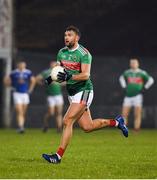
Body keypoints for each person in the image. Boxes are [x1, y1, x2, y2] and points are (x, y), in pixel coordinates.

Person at [42, 25, 128, 164]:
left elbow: (85, 75)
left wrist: (69, 77)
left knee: (67, 121)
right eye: (65, 35)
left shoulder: (84, 53)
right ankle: (117, 122)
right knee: (87, 127)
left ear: (77, 37)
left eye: (69, 35)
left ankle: (57, 157)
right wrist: (49, 79)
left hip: (84, 91)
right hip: (72, 94)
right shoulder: (61, 52)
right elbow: (58, 71)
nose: (66, 37)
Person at [119, 58, 154, 131]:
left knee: (137, 114)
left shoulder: (142, 72)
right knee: (124, 113)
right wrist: (124, 86)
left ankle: (136, 129)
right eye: (132, 63)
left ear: (138, 64)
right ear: (130, 64)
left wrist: (145, 87)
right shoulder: (127, 72)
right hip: (128, 96)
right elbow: (121, 78)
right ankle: (124, 128)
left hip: (138, 96)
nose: (133, 64)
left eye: (135, 63)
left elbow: (151, 80)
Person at [4, 61, 36, 133]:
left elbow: (33, 80)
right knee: (19, 111)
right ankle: (21, 127)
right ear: (18, 65)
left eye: (23, 65)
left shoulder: (28, 72)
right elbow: (6, 79)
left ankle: (21, 126)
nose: (22, 66)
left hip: (25, 94)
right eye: (21, 65)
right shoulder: (14, 73)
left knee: (23, 112)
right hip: (17, 93)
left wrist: (30, 89)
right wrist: (9, 85)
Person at [36, 61, 64, 133]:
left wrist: (60, 83)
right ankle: (45, 125)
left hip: (58, 95)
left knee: (59, 112)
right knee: (51, 113)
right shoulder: (47, 72)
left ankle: (59, 128)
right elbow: (38, 78)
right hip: (50, 95)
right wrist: (42, 83)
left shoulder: (60, 72)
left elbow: (65, 82)